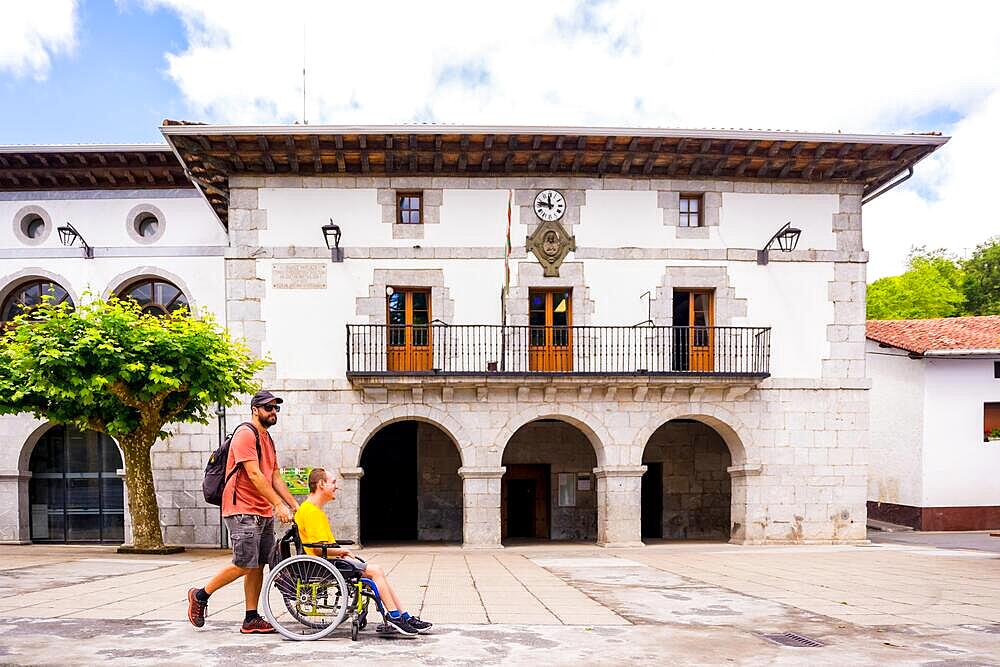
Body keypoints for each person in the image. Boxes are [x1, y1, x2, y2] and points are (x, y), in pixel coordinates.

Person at [187, 390, 298, 634]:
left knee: (258, 564)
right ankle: (200, 595)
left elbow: (274, 476)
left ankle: (250, 618)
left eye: (275, 408)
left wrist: (293, 504)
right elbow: (255, 475)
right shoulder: (245, 434)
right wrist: (278, 505)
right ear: (255, 409)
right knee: (244, 564)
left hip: (261, 510)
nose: (273, 412)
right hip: (241, 509)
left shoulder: (267, 439)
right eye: (268, 408)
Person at [295, 467, 432, 636]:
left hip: (326, 560)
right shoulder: (310, 512)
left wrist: (341, 552)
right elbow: (318, 547)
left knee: (377, 572)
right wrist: (342, 552)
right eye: (333, 482)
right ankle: (395, 616)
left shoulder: (313, 510)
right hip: (322, 564)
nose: (336, 486)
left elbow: (323, 544)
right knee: (375, 571)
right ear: (321, 484)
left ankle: (402, 616)